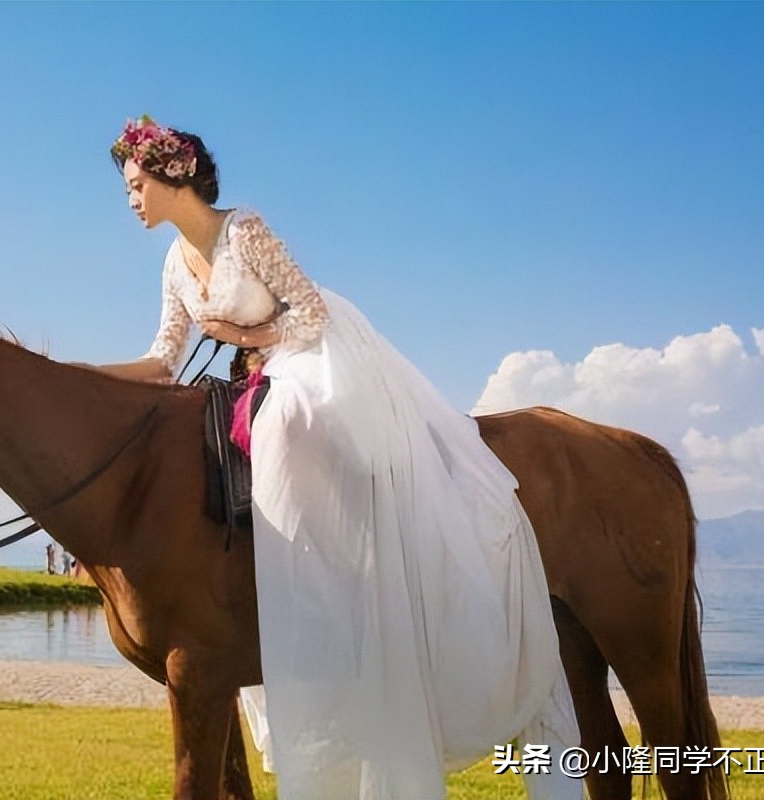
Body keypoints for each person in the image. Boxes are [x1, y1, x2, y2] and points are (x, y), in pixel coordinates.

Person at [98, 116, 582, 800]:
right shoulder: (175, 262)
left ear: (174, 176)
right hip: (260, 366)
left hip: (315, 356)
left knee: (287, 422)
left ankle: (351, 569)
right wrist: (82, 376)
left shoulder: (244, 229)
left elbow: (310, 313)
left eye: (135, 185)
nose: (131, 200)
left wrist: (241, 333)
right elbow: (161, 360)